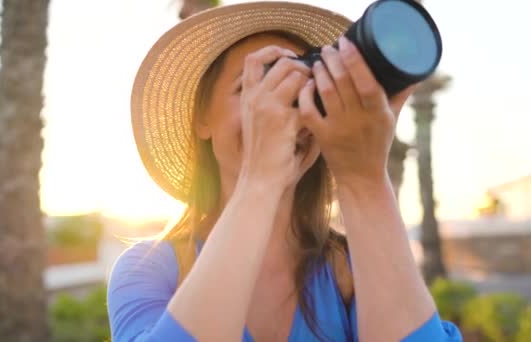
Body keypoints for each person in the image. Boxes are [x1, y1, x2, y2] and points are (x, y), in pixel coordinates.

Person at [107, 2, 462, 341]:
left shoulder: (353, 267)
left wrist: (364, 181)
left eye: (302, 89)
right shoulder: (150, 268)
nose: (279, 111)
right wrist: (259, 180)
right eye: (254, 87)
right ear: (202, 117)